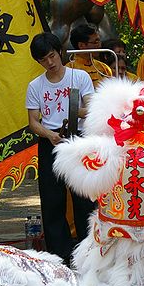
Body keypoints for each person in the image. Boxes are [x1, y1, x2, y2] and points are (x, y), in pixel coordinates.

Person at [26, 32, 96, 262]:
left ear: (59, 52)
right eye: (44, 59)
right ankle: (60, 252)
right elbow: (33, 121)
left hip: (78, 139)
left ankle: (88, 249)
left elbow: (92, 107)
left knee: (83, 196)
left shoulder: (80, 76)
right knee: (52, 198)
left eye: (53, 56)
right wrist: (49, 135)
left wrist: (74, 112)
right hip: (51, 142)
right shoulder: (35, 86)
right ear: (38, 62)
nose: (51, 62)